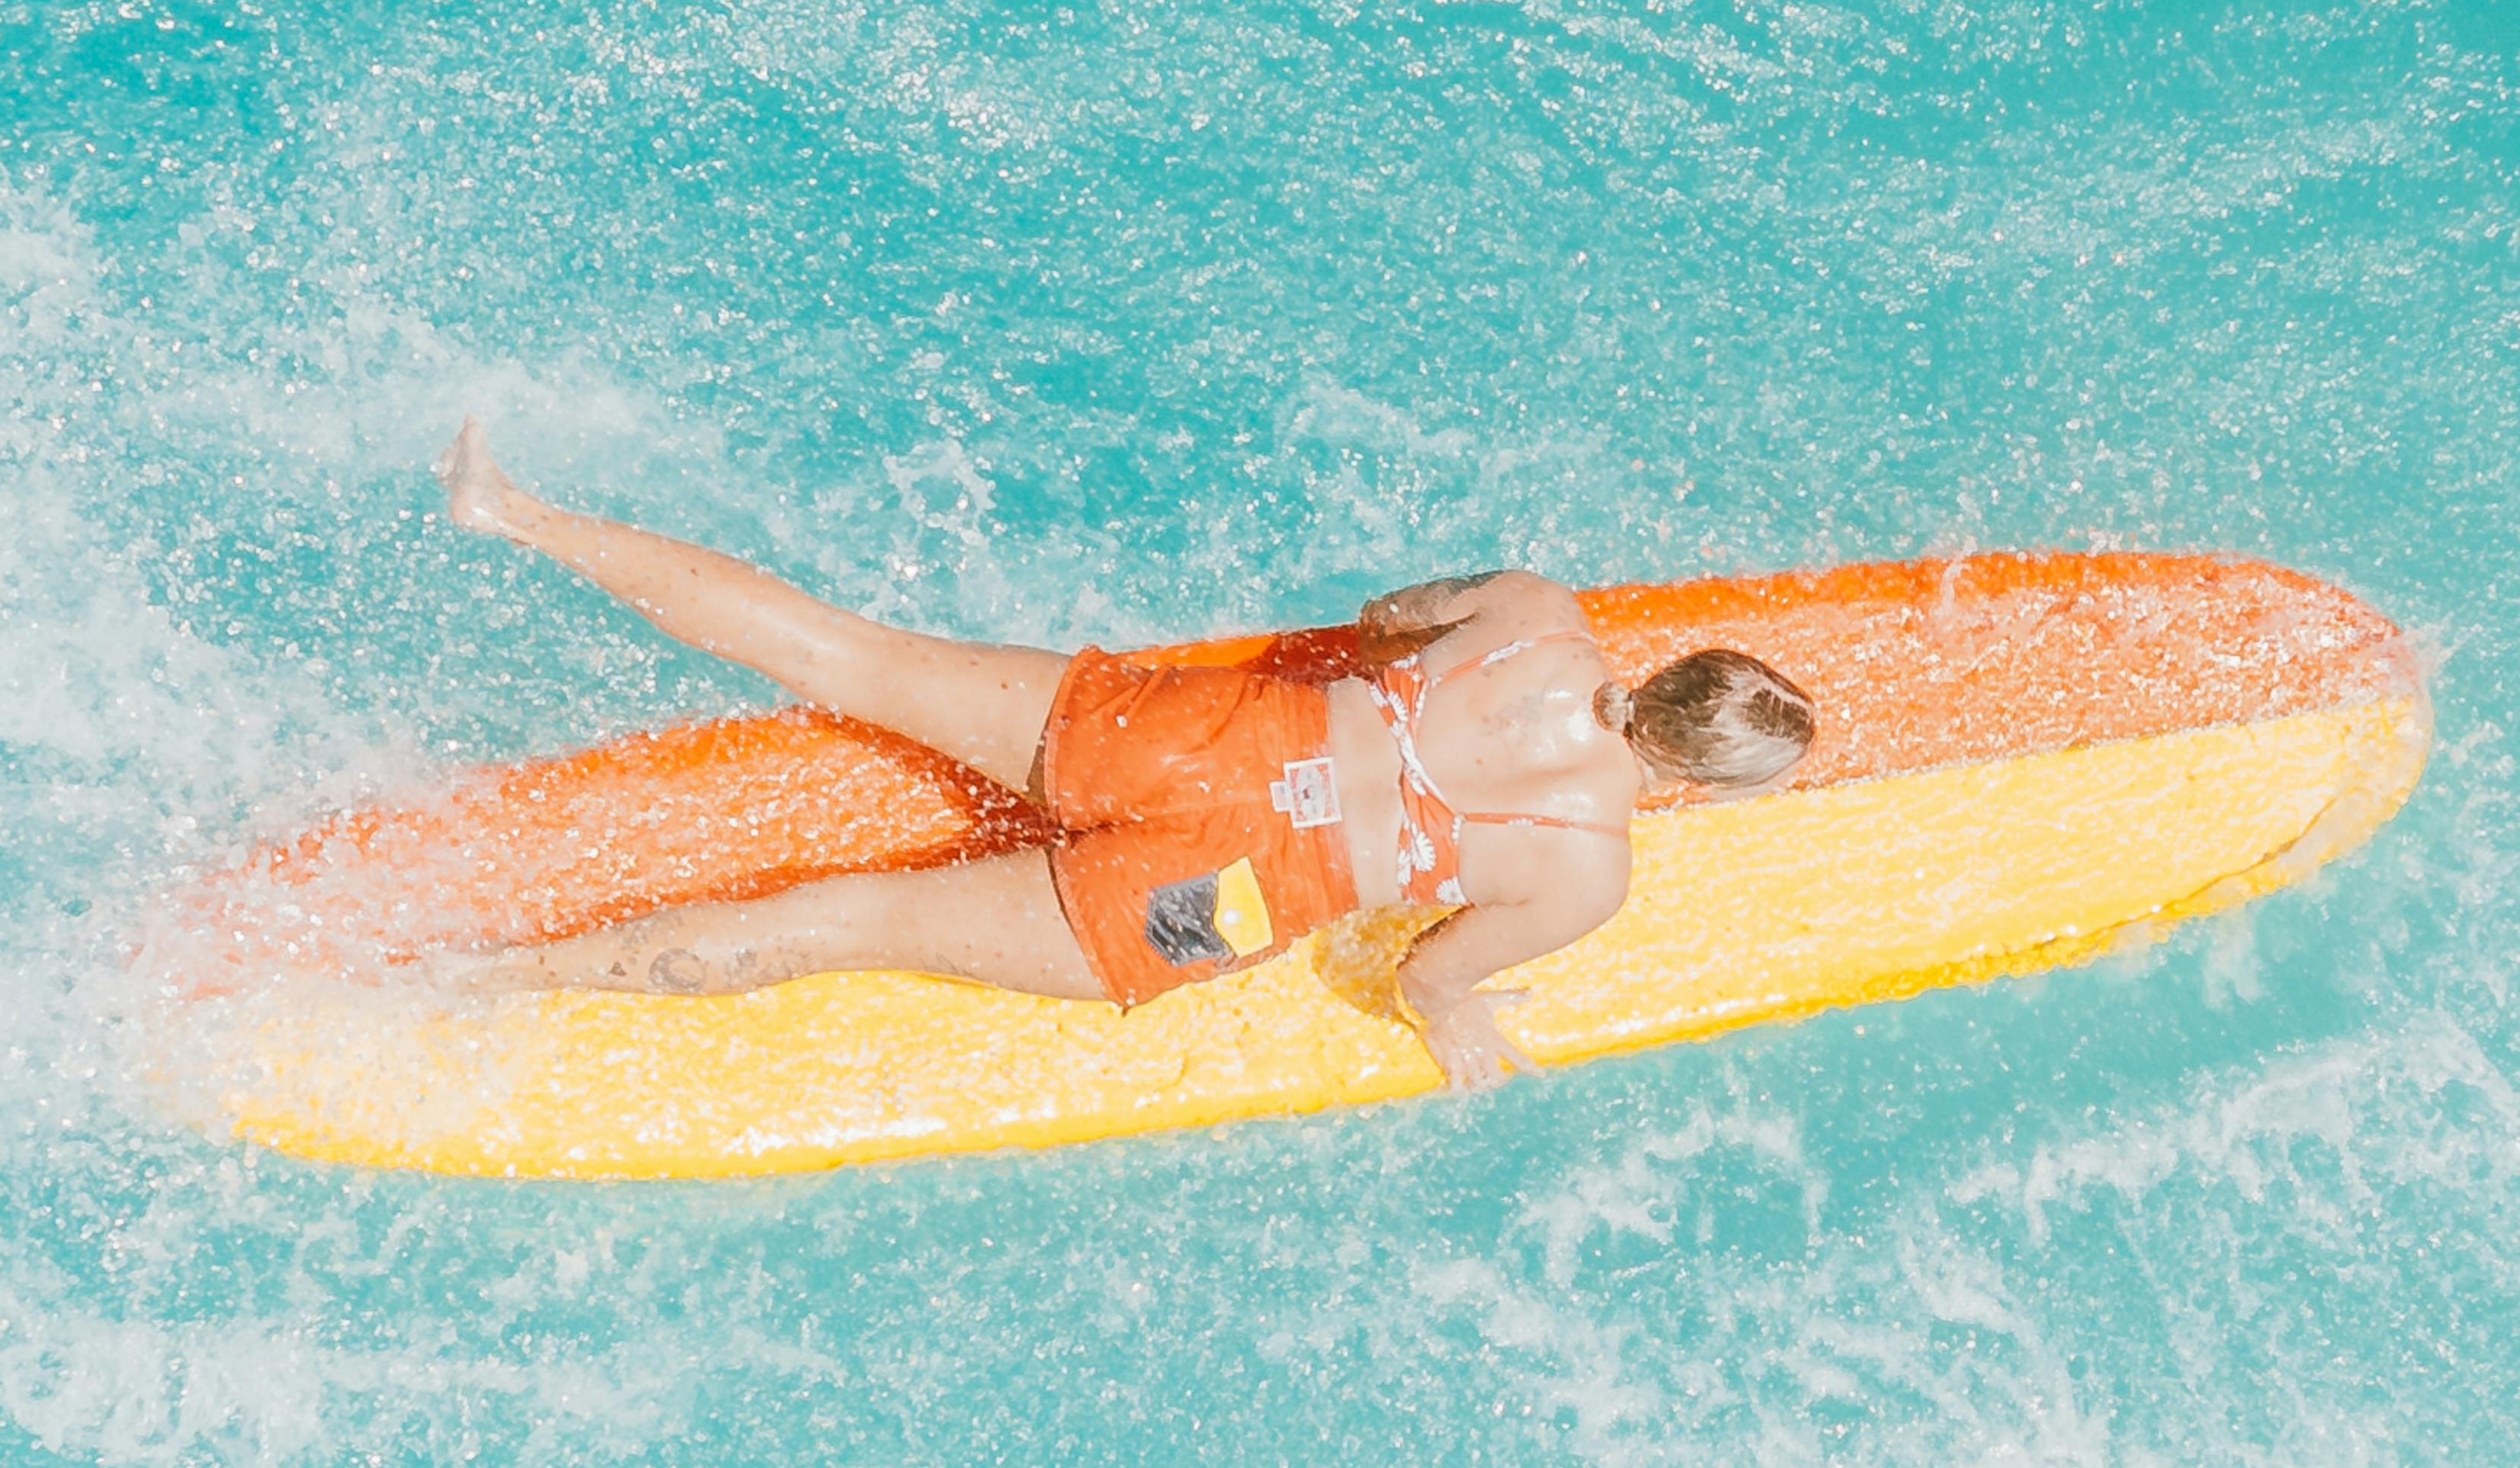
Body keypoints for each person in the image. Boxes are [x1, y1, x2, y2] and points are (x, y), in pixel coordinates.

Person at [427, 427, 1817, 1091]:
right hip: (1229, 893)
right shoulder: (1589, 878)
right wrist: (1459, 1025)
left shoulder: (1536, 612)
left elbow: (1391, 620)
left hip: (1214, 733)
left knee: (842, 654)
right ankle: (496, 976)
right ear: (1698, 780)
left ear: (1674, 668)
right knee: (854, 922)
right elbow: (1430, 969)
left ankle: (516, 508)